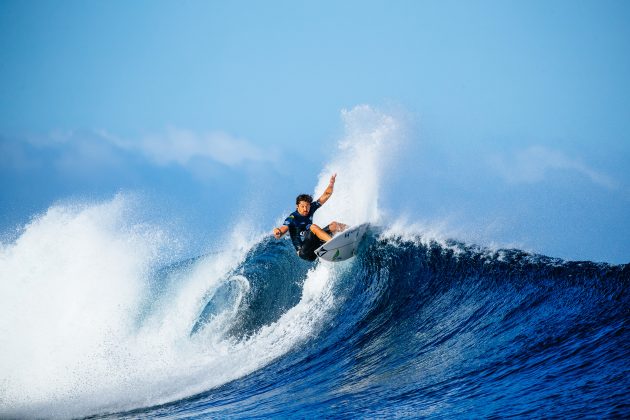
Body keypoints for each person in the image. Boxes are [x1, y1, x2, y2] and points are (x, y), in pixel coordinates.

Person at [273, 174, 347, 261]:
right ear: (297, 206)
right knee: (313, 227)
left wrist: (331, 183)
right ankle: (335, 243)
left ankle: (353, 231)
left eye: (307, 206)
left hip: (316, 245)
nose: (305, 209)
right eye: (303, 206)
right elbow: (283, 229)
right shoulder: (293, 217)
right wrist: (277, 232)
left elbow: (326, 195)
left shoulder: (311, 208)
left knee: (334, 225)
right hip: (304, 252)